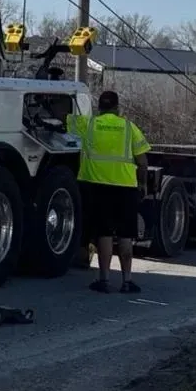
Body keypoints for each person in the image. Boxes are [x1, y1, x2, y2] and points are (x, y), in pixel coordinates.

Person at [68, 89, 151, 294]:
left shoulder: (88, 125)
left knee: (103, 234)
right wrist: (142, 184)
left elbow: (65, 118)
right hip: (125, 188)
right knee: (125, 236)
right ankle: (127, 281)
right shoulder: (130, 128)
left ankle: (104, 280)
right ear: (117, 108)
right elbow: (142, 162)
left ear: (99, 107)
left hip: (97, 187)